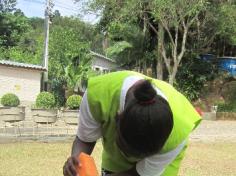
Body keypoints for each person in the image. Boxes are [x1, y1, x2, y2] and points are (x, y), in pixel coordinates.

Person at [63, 71, 201, 176]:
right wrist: (76, 162)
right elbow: (85, 139)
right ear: (117, 118)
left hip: (160, 168)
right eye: (124, 148)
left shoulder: (177, 133)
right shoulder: (98, 95)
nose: (133, 159)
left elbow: (140, 174)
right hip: (114, 161)